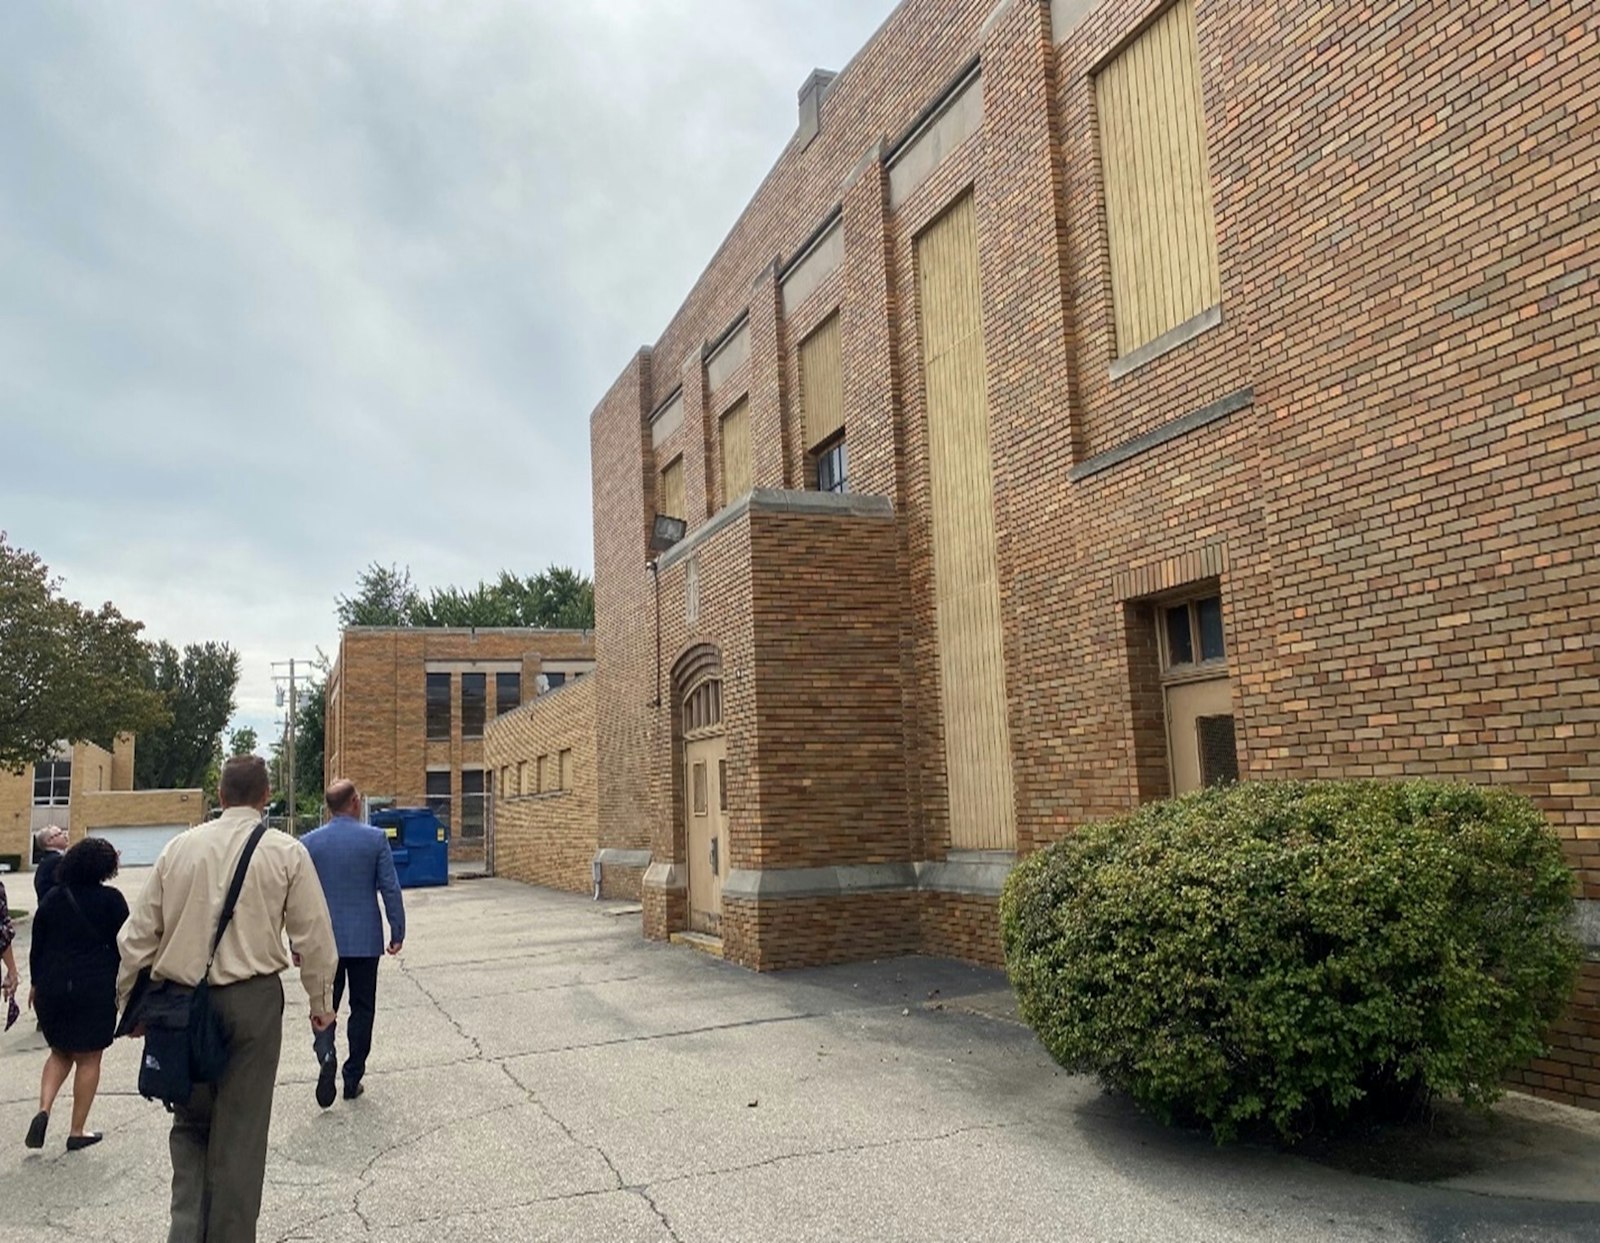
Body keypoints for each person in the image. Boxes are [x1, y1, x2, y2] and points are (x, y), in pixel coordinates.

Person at [117, 755, 338, 1243]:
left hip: (179, 1004)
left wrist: (130, 1004)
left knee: (190, 1125)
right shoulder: (285, 852)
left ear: (219, 796)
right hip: (252, 1001)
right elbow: (315, 937)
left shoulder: (178, 849)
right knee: (240, 1134)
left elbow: (136, 936)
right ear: (265, 798)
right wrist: (320, 1005)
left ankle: (186, 1232)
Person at [299, 779, 404, 1106]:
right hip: (364, 941)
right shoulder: (374, 840)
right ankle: (352, 1077)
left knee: (325, 1004)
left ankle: (326, 1052)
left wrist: (296, 943)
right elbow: (390, 887)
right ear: (355, 802)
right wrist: (396, 929)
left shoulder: (308, 844)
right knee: (362, 1008)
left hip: (323, 944)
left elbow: (298, 898)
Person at [24, 837, 128, 1151]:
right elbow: (127, 944)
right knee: (88, 1057)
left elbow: (37, 947)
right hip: (93, 987)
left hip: (52, 986)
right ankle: (77, 1130)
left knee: (59, 1052)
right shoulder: (112, 901)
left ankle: (43, 1109)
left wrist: (35, 983)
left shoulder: (53, 898)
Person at [33, 824, 69, 901]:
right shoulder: (57, 860)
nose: (65, 835)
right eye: (60, 834)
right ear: (49, 841)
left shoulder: (45, 860)